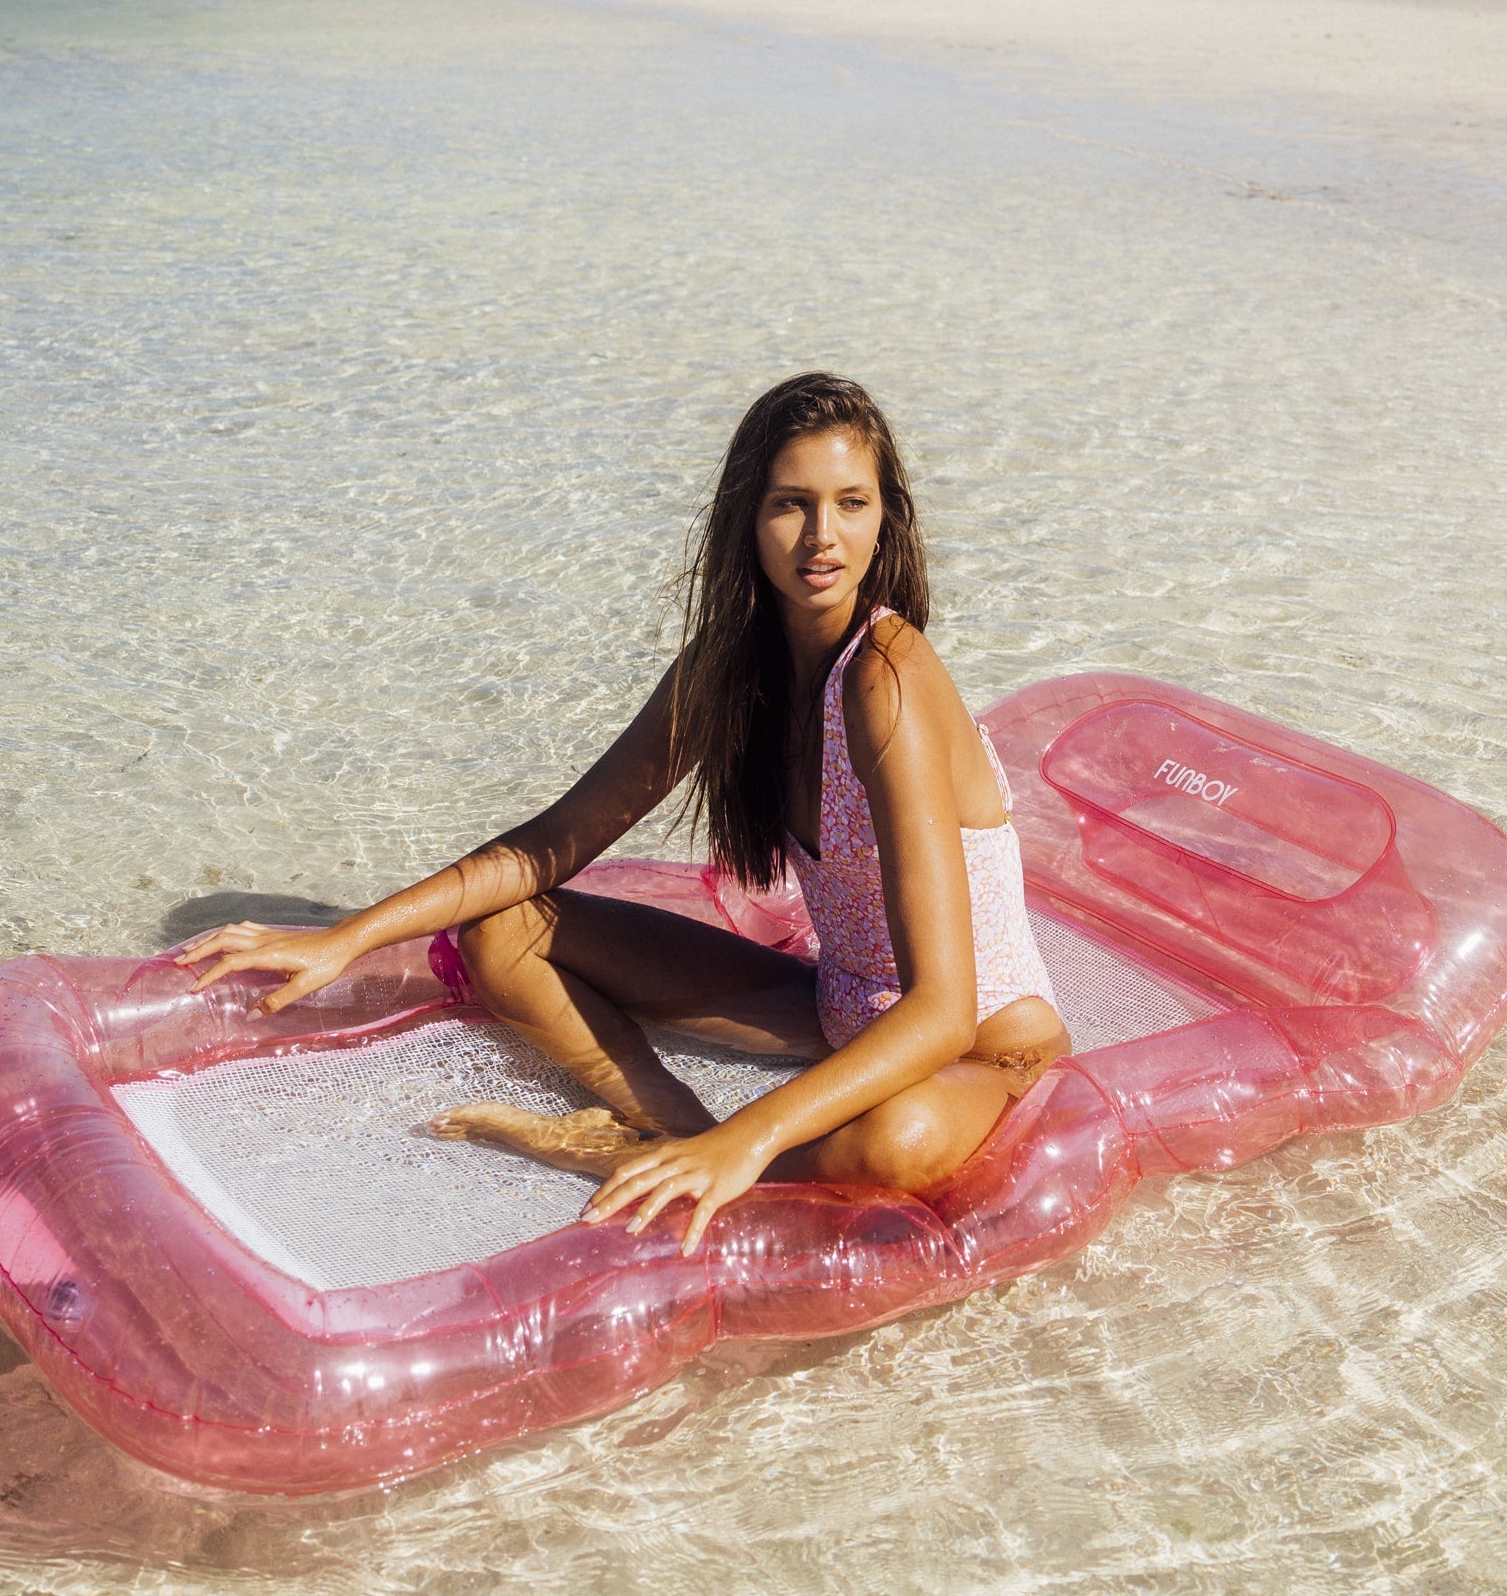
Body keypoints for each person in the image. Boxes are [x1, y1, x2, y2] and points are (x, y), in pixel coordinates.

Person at [180, 373, 1065, 1253]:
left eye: (851, 503)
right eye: (791, 504)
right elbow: (554, 843)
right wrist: (348, 938)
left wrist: (747, 1135)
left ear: (886, 518)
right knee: (505, 930)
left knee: (891, 1145)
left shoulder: (889, 672)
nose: (822, 536)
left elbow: (944, 1011)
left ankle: (694, 1156)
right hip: (839, 1013)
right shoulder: (728, 672)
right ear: (746, 521)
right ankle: (661, 1136)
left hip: (981, 1053)